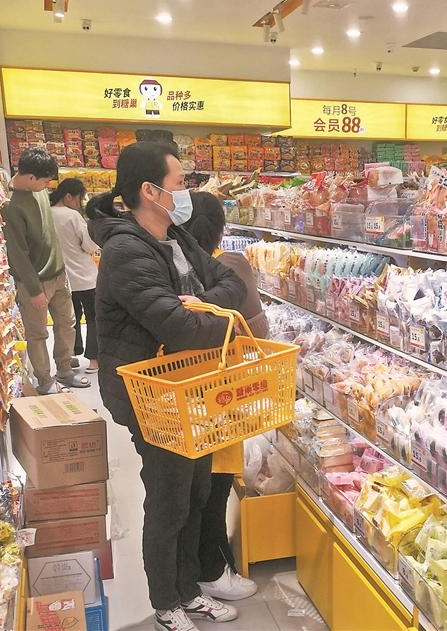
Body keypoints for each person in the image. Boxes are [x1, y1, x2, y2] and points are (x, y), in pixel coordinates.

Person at [86, 141, 247, 631]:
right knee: (169, 496)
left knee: (197, 489)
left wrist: (204, 305)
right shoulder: (126, 250)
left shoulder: (175, 236)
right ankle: (166, 602)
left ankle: (189, 589)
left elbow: (232, 283)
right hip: (149, 394)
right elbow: (180, 328)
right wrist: (215, 315)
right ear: (150, 191)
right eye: (179, 183)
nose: (186, 193)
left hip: (191, 385)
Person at [184, 191, 267, 602]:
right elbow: (257, 329)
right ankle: (212, 571)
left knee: (194, 489)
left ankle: (199, 567)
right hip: (222, 394)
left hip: (183, 395)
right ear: (219, 230)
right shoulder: (230, 267)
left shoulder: (174, 267)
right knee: (214, 488)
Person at [1, 148, 90, 393]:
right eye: (45, 181)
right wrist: (33, 289)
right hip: (35, 281)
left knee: (67, 323)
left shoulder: (38, 190)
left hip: (59, 273)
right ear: (31, 177)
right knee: (37, 333)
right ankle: (44, 380)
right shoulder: (10, 205)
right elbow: (17, 253)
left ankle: (65, 371)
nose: (48, 186)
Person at [49, 178, 99, 373]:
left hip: (61, 277)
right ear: (69, 196)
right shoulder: (73, 216)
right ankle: (94, 360)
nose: (80, 202)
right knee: (93, 317)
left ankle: (70, 355)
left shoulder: (47, 213)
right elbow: (90, 245)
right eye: (80, 198)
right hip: (84, 276)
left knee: (69, 318)